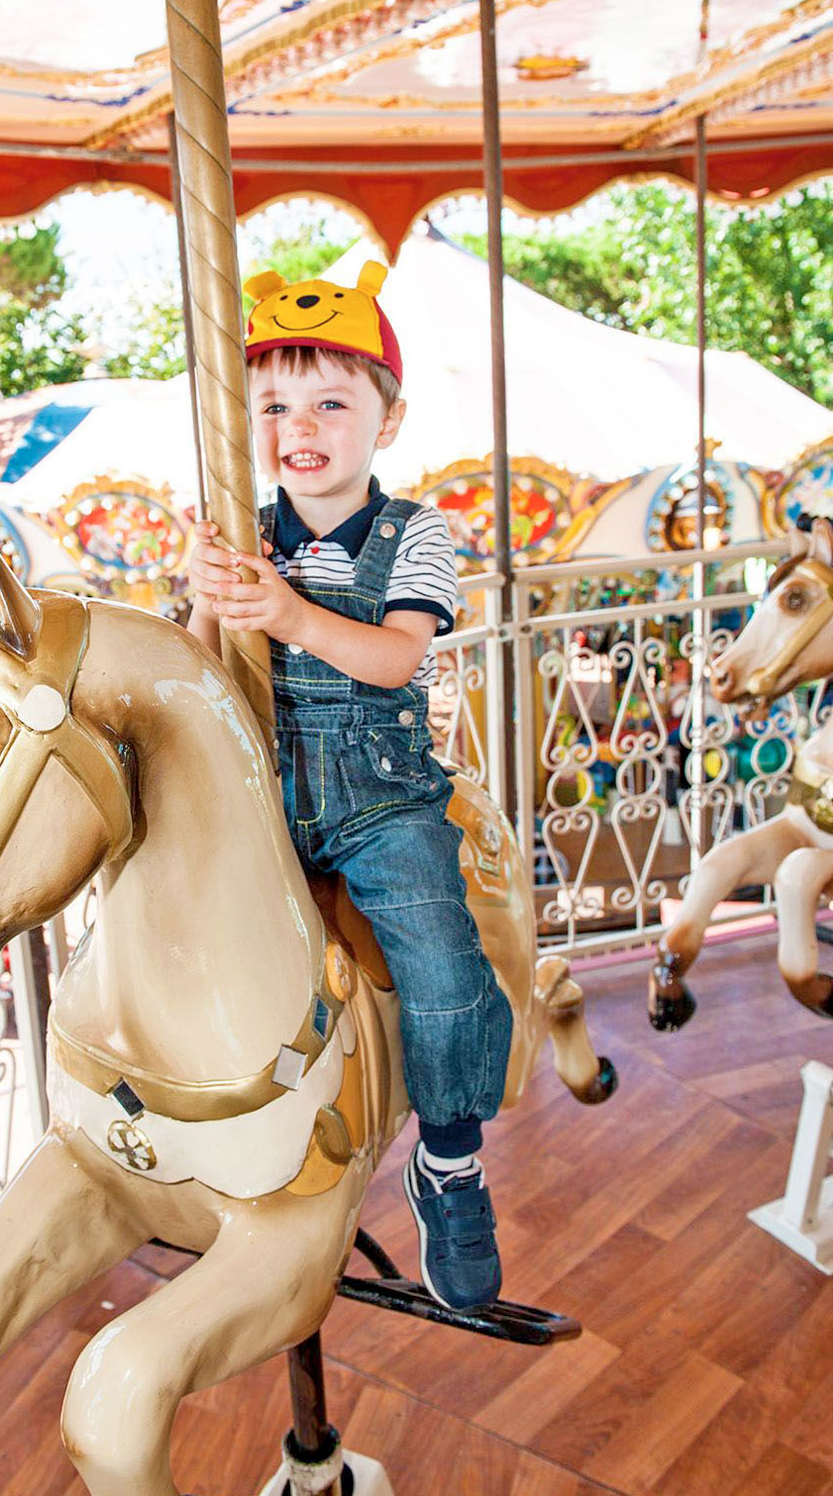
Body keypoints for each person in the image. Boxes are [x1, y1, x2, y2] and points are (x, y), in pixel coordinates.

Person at [188, 261, 512, 1309]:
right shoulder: (242, 526)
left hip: (379, 797)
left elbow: (393, 659)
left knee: (438, 948)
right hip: (260, 787)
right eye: (274, 403)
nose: (300, 425)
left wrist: (282, 612)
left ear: (388, 416)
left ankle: (449, 1161)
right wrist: (206, 598)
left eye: (333, 398)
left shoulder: (412, 530)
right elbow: (202, 665)